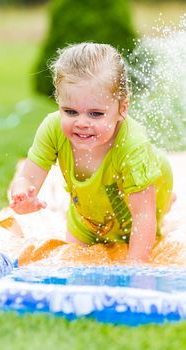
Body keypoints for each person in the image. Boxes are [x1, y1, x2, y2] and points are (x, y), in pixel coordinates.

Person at [9, 42, 174, 263]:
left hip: (145, 198)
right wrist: (23, 195)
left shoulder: (133, 146)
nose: (82, 123)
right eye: (70, 111)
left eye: (95, 114)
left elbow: (144, 216)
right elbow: (27, 178)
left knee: (144, 216)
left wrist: (135, 267)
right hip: (88, 217)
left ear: (121, 110)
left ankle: (167, 198)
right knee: (76, 262)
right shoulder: (53, 129)